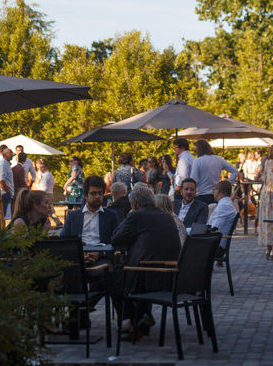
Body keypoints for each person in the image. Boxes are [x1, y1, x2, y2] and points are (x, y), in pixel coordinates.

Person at [110, 185, 182, 339]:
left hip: (148, 276)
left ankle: (136, 318)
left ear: (134, 204)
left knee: (112, 277)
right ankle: (142, 317)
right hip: (171, 276)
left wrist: (131, 214)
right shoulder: (166, 216)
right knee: (126, 273)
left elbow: (115, 239)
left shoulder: (137, 216)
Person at [61, 175, 120, 265]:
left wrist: (100, 253)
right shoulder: (73, 216)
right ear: (85, 195)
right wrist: (80, 254)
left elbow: (117, 241)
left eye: (100, 193)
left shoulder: (111, 216)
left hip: (102, 258)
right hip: (77, 256)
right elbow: (63, 239)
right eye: (93, 193)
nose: (97, 196)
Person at [207, 180, 239, 263]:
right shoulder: (226, 204)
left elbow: (214, 229)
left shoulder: (224, 206)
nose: (213, 192)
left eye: (214, 190)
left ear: (217, 190)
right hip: (217, 243)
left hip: (216, 247)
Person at [172, 137, 195, 201]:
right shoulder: (191, 157)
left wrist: (178, 188)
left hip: (182, 189)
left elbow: (183, 176)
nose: (174, 149)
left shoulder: (183, 159)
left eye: (176, 147)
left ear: (182, 148)